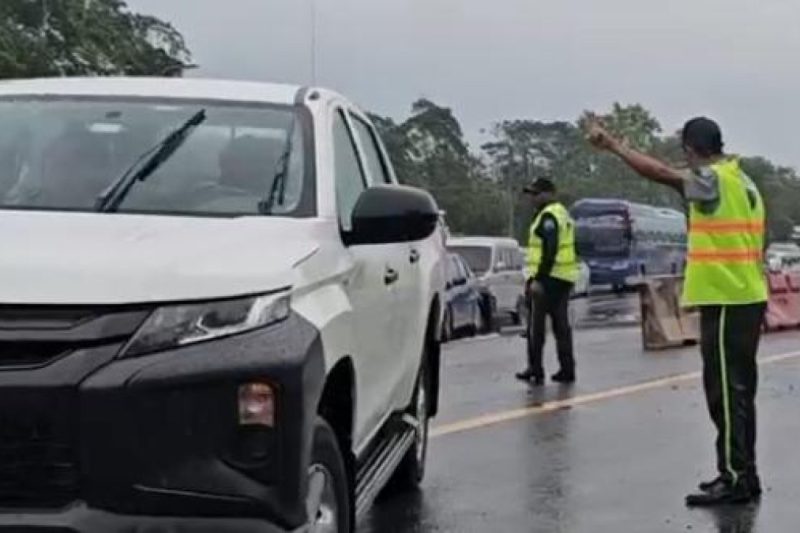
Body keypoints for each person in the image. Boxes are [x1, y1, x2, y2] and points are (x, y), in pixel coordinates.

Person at [587, 117, 767, 507]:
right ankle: (742, 473)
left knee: (726, 392)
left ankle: (736, 478)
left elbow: (660, 174)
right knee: (738, 392)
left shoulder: (712, 180)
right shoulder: (742, 180)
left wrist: (615, 146)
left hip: (728, 298)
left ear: (689, 148)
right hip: (745, 296)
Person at [515, 177, 579, 386]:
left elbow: (550, 249)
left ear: (549, 194)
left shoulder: (549, 216)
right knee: (561, 326)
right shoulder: (561, 213)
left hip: (549, 279)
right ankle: (567, 369)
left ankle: (535, 369)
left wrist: (538, 279)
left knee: (536, 327)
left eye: (536, 194)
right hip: (563, 277)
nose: (532, 198)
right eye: (531, 194)